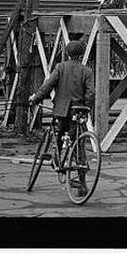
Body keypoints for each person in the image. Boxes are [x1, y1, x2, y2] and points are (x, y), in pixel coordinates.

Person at [29, 39, 94, 197]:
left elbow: (47, 86)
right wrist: (86, 108)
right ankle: (82, 183)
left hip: (62, 110)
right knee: (79, 143)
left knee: (59, 132)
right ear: (81, 54)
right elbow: (91, 93)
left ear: (67, 53)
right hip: (78, 110)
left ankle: (57, 160)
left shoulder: (60, 67)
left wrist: (35, 99)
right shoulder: (87, 71)